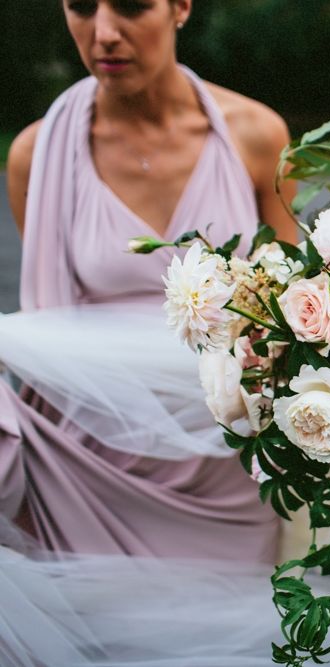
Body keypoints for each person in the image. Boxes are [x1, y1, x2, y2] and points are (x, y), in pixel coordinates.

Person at [0, 0, 296, 663]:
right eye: (81, 6)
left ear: (181, 6)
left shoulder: (255, 135)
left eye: (131, 6)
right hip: (88, 469)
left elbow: (293, 310)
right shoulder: (34, 155)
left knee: (230, 645)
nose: (103, 33)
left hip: (226, 472)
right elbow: (54, 331)